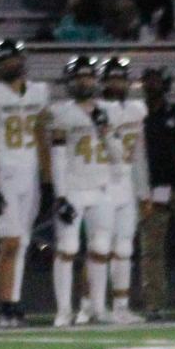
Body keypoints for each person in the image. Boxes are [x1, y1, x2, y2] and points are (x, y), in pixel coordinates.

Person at [0, 39, 50, 328]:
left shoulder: (39, 92)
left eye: (12, 59)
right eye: (3, 61)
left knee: (24, 240)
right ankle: (5, 304)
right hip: (5, 174)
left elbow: (42, 136)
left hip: (29, 174)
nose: (8, 65)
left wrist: (48, 179)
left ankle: (15, 302)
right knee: (11, 241)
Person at [47, 54, 119, 325]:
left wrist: (105, 130)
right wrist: (61, 195)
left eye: (88, 76)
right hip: (74, 188)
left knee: (101, 248)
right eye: (78, 77)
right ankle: (64, 310)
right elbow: (57, 156)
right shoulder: (62, 113)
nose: (84, 81)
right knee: (67, 247)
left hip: (101, 187)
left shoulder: (107, 111)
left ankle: (98, 307)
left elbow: (117, 153)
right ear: (69, 81)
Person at [98, 56, 150, 323]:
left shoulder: (136, 109)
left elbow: (138, 153)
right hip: (102, 182)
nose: (117, 83)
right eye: (113, 78)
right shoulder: (96, 108)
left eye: (121, 78)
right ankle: (93, 305)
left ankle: (120, 305)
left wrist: (144, 191)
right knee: (100, 247)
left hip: (127, 183)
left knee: (125, 248)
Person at [138, 66, 175, 318]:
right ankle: (154, 304)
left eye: (155, 81)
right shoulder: (136, 115)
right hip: (152, 190)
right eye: (148, 82)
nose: (151, 86)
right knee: (152, 250)